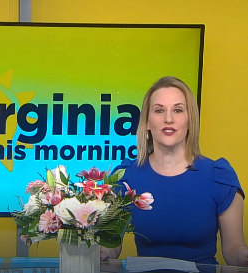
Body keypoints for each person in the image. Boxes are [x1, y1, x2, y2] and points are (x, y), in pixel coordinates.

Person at [100, 76, 248, 266]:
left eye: (177, 110)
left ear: (190, 120)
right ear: (146, 122)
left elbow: (233, 249)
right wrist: (102, 251)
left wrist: (243, 255)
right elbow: (112, 246)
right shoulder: (126, 177)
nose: (168, 119)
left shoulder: (219, 177)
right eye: (159, 110)